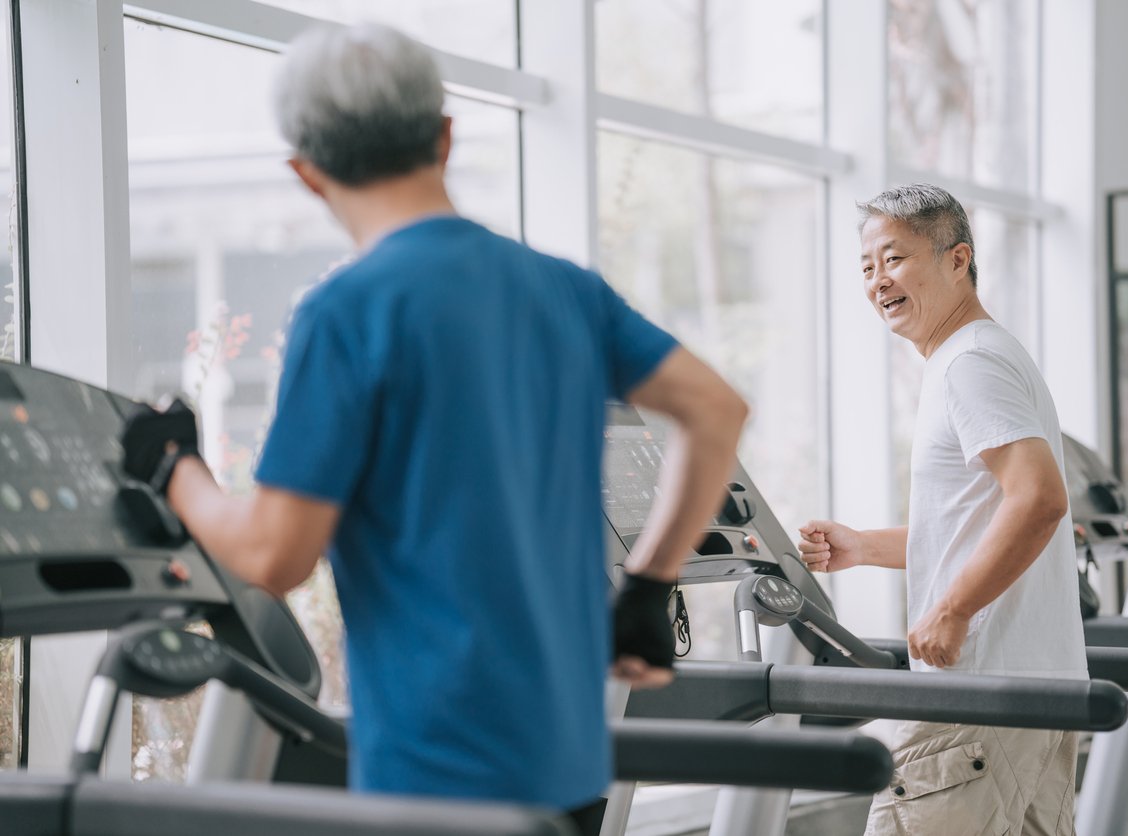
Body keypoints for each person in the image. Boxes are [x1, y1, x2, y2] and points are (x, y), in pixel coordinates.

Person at [118, 23, 747, 836]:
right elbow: (717, 410)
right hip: (567, 756)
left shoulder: (346, 311)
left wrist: (175, 469)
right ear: (444, 137)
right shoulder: (562, 290)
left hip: (437, 770)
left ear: (306, 173)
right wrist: (650, 585)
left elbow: (274, 555)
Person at [799, 184, 1087, 836]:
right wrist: (864, 546)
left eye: (894, 259)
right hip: (1034, 695)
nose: (878, 281)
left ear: (958, 259)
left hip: (978, 697)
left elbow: (1038, 500)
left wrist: (953, 608)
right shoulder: (984, 354)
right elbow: (981, 520)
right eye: (867, 267)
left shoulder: (970, 363)